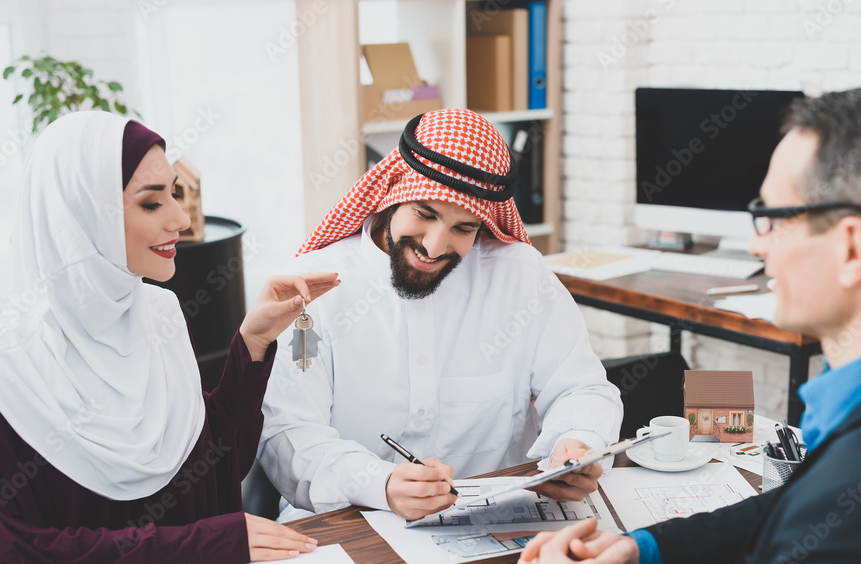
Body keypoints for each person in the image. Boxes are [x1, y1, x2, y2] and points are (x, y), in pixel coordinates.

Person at [511, 86, 861, 564]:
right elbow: (798, 507)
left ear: (852, 248)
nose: (757, 245)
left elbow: (833, 519)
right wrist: (643, 552)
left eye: (771, 218)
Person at [0, 111, 339, 564]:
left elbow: (213, 468)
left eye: (174, 193)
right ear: (81, 216)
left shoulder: (159, 314)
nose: (180, 218)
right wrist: (189, 544)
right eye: (152, 202)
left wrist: (252, 344)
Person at [258, 108, 622, 521]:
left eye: (463, 229)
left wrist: (576, 441)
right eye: (424, 214)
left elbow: (583, 389)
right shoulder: (311, 290)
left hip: (498, 527)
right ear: (392, 191)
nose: (434, 246)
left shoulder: (519, 276)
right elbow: (288, 434)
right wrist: (379, 483)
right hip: (348, 523)